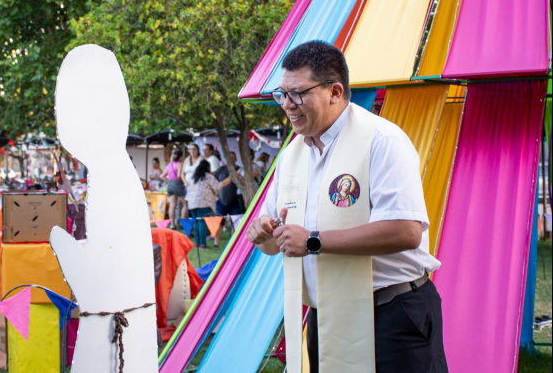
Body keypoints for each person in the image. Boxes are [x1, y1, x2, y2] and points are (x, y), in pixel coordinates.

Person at [246, 41, 445, 372]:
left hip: (392, 314)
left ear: (335, 92)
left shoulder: (382, 141)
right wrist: (264, 233)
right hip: (328, 317)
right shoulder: (293, 156)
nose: (286, 105)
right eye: (280, 94)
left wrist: (313, 240)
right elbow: (280, 241)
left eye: (297, 94)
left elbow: (406, 231)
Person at [185, 160, 223, 248]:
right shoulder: (208, 176)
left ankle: (197, 243)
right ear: (208, 167)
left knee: (196, 222)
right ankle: (202, 244)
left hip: (191, 202)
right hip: (204, 202)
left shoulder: (192, 177)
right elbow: (218, 187)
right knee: (202, 221)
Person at [215, 151, 244, 217]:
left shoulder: (239, 169)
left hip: (235, 201)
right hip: (221, 201)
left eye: (232, 158)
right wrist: (216, 196)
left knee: (237, 221)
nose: (230, 159)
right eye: (229, 158)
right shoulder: (220, 169)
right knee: (217, 223)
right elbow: (215, 182)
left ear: (236, 159)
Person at [163, 149, 187, 227]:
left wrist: (169, 181)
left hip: (169, 184)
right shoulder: (180, 164)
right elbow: (179, 175)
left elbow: (162, 176)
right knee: (185, 204)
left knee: (172, 204)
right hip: (177, 184)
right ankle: (182, 223)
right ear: (181, 157)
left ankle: (172, 224)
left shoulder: (169, 164)